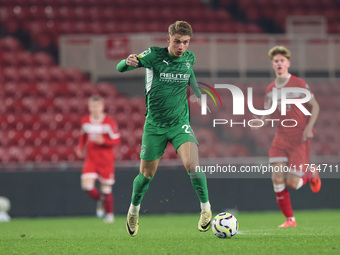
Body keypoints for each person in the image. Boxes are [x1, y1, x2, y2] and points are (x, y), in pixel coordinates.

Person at [116, 21, 212, 236]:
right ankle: (133, 210)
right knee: (146, 174)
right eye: (177, 41)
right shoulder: (153, 55)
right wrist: (127, 61)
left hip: (180, 123)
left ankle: (206, 209)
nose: (181, 47)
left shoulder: (189, 58)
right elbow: (120, 68)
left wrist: (198, 92)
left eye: (186, 42)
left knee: (193, 165)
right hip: (155, 126)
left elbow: (189, 74)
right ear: (168, 39)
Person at [252, 46, 321, 228]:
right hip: (281, 137)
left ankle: (310, 172)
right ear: (272, 65)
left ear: (288, 63)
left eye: (282, 60)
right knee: (276, 178)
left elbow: (315, 106)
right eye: (276, 61)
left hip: (299, 138)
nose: (279, 63)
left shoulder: (299, 84)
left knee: (291, 183)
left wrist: (309, 128)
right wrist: (259, 121)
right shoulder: (270, 89)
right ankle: (290, 219)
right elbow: (267, 114)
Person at [76, 95, 121, 223]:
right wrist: (80, 147)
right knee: (86, 185)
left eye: (97, 106)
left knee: (106, 188)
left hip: (106, 160)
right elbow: (82, 135)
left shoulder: (109, 122)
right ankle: (101, 200)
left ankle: (109, 215)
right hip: (91, 158)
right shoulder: (85, 121)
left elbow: (117, 140)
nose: (95, 108)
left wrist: (104, 141)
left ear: (102, 107)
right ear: (89, 107)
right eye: (92, 106)